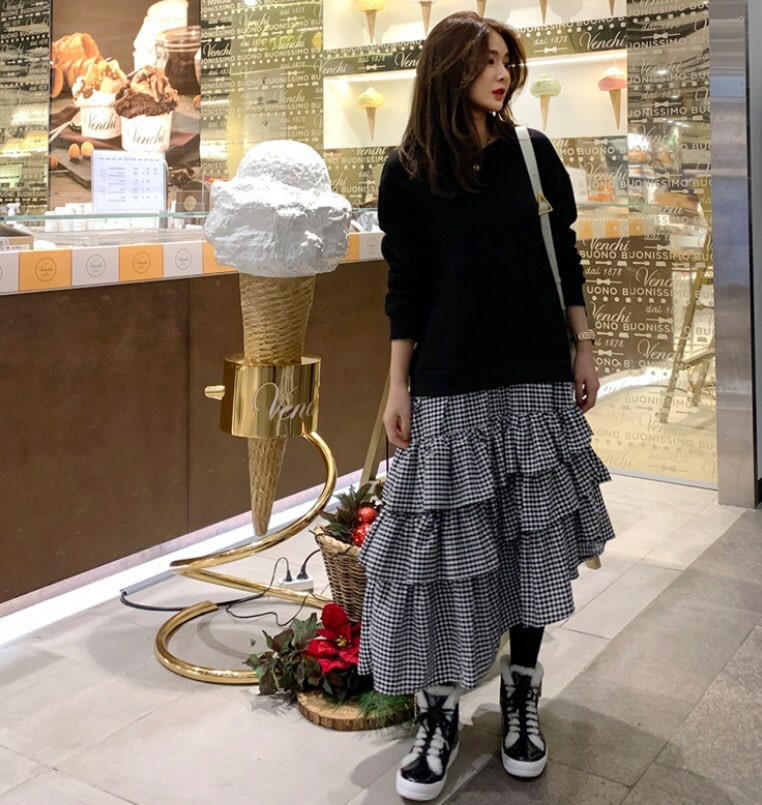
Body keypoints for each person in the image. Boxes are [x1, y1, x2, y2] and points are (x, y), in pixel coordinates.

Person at [355, 10, 617, 802]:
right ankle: (438, 712)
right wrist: (398, 385)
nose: (502, 74)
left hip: (534, 372)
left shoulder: (532, 154)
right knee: (442, 558)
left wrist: (584, 342)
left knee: (529, 541)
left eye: (507, 60)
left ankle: (520, 693)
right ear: (449, 70)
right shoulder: (408, 170)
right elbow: (406, 288)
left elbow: (562, 255)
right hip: (449, 379)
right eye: (486, 60)